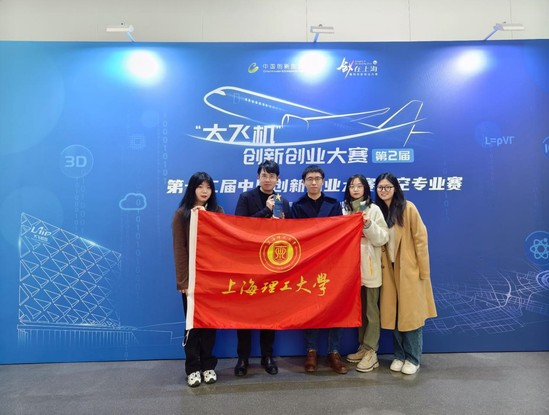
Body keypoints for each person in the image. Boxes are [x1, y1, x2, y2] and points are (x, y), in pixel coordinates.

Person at [374, 172, 437, 375]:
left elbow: (421, 239)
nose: (384, 191)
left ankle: (413, 358)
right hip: (389, 271)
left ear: (396, 189)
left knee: (411, 316)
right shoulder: (378, 211)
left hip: (409, 270)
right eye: (380, 187)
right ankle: (399, 355)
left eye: (388, 187)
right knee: (393, 314)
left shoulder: (408, 208)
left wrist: (423, 271)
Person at [233, 160, 291, 376]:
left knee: (270, 313)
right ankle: (243, 358)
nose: (268, 179)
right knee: (244, 314)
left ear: (278, 179)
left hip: (272, 265)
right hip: (247, 263)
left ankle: (267, 356)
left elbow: (290, 234)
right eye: (264, 175)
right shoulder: (246, 197)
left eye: (272, 176)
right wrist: (266, 211)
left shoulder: (283, 201)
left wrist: (283, 223)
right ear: (258, 176)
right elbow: (239, 227)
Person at [290, 165, 348, 374]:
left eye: (317, 178)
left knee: (335, 307)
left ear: (323, 181)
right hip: (308, 264)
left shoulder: (333, 204)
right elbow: (294, 236)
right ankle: (311, 351)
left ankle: (334, 352)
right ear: (303, 182)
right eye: (309, 179)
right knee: (310, 307)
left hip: (332, 264)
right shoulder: (297, 206)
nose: (313, 182)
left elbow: (342, 232)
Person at [172, 172, 224, 387]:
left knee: (210, 323)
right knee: (192, 324)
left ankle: (208, 365)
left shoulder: (217, 212)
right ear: (192, 189)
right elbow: (179, 250)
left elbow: (223, 244)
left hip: (211, 279)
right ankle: (193, 367)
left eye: (208, 187)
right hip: (191, 281)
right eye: (200, 186)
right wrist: (183, 281)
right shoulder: (182, 214)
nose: (204, 191)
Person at [342, 174, 388, 373]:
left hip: (369, 268)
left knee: (371, 311)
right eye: (352, 186)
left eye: (359, 186)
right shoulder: (344, 210)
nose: (355, 189)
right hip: (350, 270)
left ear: (365, 189)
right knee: (359, 311)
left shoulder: (374, 209)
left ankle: (372, 351)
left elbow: (382, 238)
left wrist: (368, 225)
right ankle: (363, 347)